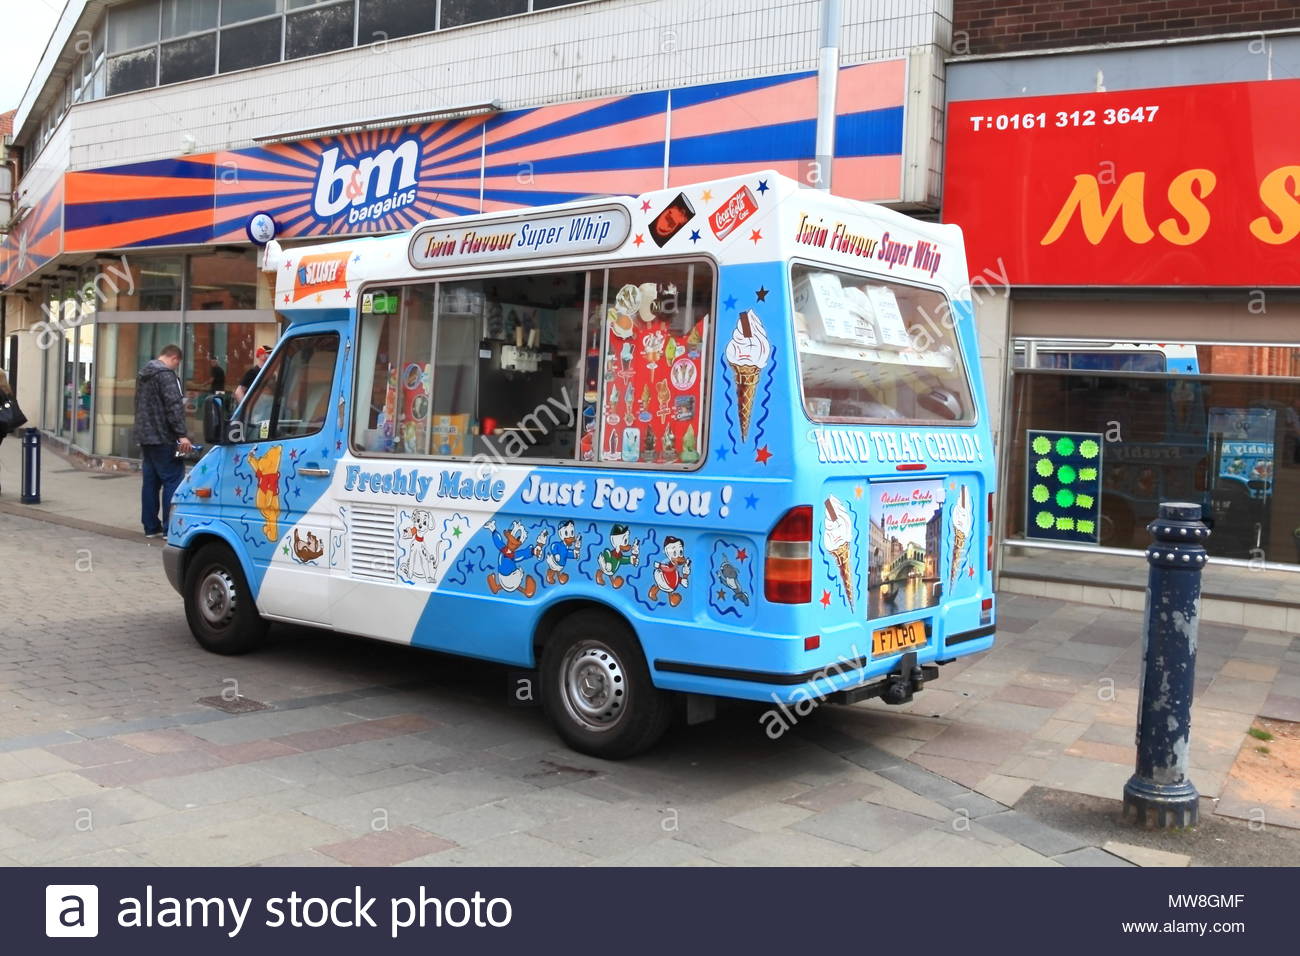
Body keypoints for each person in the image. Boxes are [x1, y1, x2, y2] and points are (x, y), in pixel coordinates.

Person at [134, 345, 192, 537]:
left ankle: (150, 527)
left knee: (150, 483)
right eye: (178, 363)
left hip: (146, 436)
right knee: (173, 479)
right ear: (174, 358)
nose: (177, 367)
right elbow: (174, 406)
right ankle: (170, 528)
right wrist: (181, 433)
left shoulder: (143, 375)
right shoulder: (166, 375)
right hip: (163, 436)